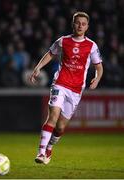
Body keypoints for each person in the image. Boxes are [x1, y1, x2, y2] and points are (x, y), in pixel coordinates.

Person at [29, 11, 103, 164]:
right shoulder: (63, 41)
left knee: (61, 127)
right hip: (60, 84)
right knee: (53, 116)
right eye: (77, 22)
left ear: (87, 26)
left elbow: (99, 66)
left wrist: (97, 78)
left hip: (76, 90)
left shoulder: (91, 45)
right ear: (73, 24)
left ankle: (49, 147)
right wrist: (38, 67)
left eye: (83, 23)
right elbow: (50, 53)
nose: (80, 26)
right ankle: (41, 152)